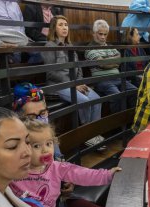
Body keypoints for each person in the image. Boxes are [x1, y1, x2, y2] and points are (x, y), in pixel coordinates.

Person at [10, 119, 121, 207]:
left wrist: (108, 175)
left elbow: (82, 173)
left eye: (49, 143)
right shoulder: (15, 173)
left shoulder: (56, 167)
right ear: (25, 149)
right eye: (36, 146)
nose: (45, 150)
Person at [41, 15, 106, 148]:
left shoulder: (70, 46)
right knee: (84, 101)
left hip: (75, 84)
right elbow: (52, 72)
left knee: (96, 98)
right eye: (60, 25)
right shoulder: (49, 46)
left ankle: (94, 132)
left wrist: (79, 82)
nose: (64, 27)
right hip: (58, 86)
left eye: (66, 25)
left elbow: (78, 68)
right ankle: (87, 134)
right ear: (54, 28)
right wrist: (73, 85)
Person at [85, 19, 137, 113]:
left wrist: (108, 62)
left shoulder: (110, 46)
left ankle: (131, 120)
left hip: (117, 78)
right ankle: (118, 124)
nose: (103, 37)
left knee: (134, 91)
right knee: (117, 95)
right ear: (94, 33)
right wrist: (112, 62)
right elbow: (102, 64)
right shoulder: (90, 49)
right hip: (101, 80)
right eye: (100, 34)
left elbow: (119, 60)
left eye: (105, 34)